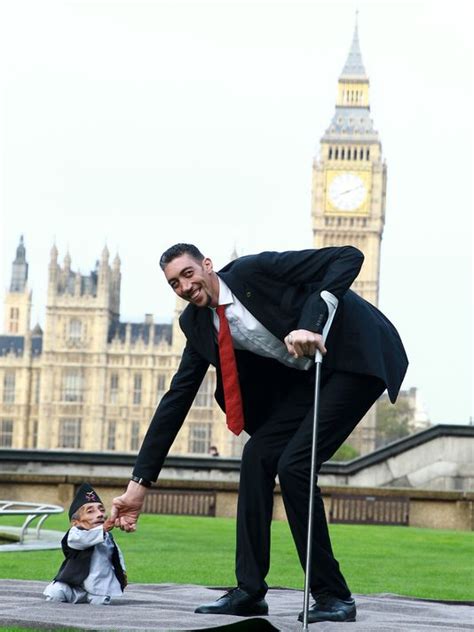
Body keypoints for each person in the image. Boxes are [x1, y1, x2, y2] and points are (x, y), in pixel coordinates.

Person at [110, 244, 408, 623]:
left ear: (207, 265)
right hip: (308, 379)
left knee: (296, 466)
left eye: (188, 274)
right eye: (174, 284)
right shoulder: (197, 324)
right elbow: (176, 399)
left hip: (354, 357)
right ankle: (249, 591)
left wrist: (312, 323)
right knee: (256, 456)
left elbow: (348, 256)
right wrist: (139, 485)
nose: (184, 286)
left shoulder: (255, 272)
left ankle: (334, 596)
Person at [44, 483, 127, 605]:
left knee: (101, 602)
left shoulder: (107, 537)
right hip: (73, 583)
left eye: (101, 509)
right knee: (55, 593)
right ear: (75, 522)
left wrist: (122, 573)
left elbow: (116, 556)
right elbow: (82, 541)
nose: (99, 514)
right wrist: (102, 529)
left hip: (98, 585)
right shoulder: (75, 535)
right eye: (90, 511)